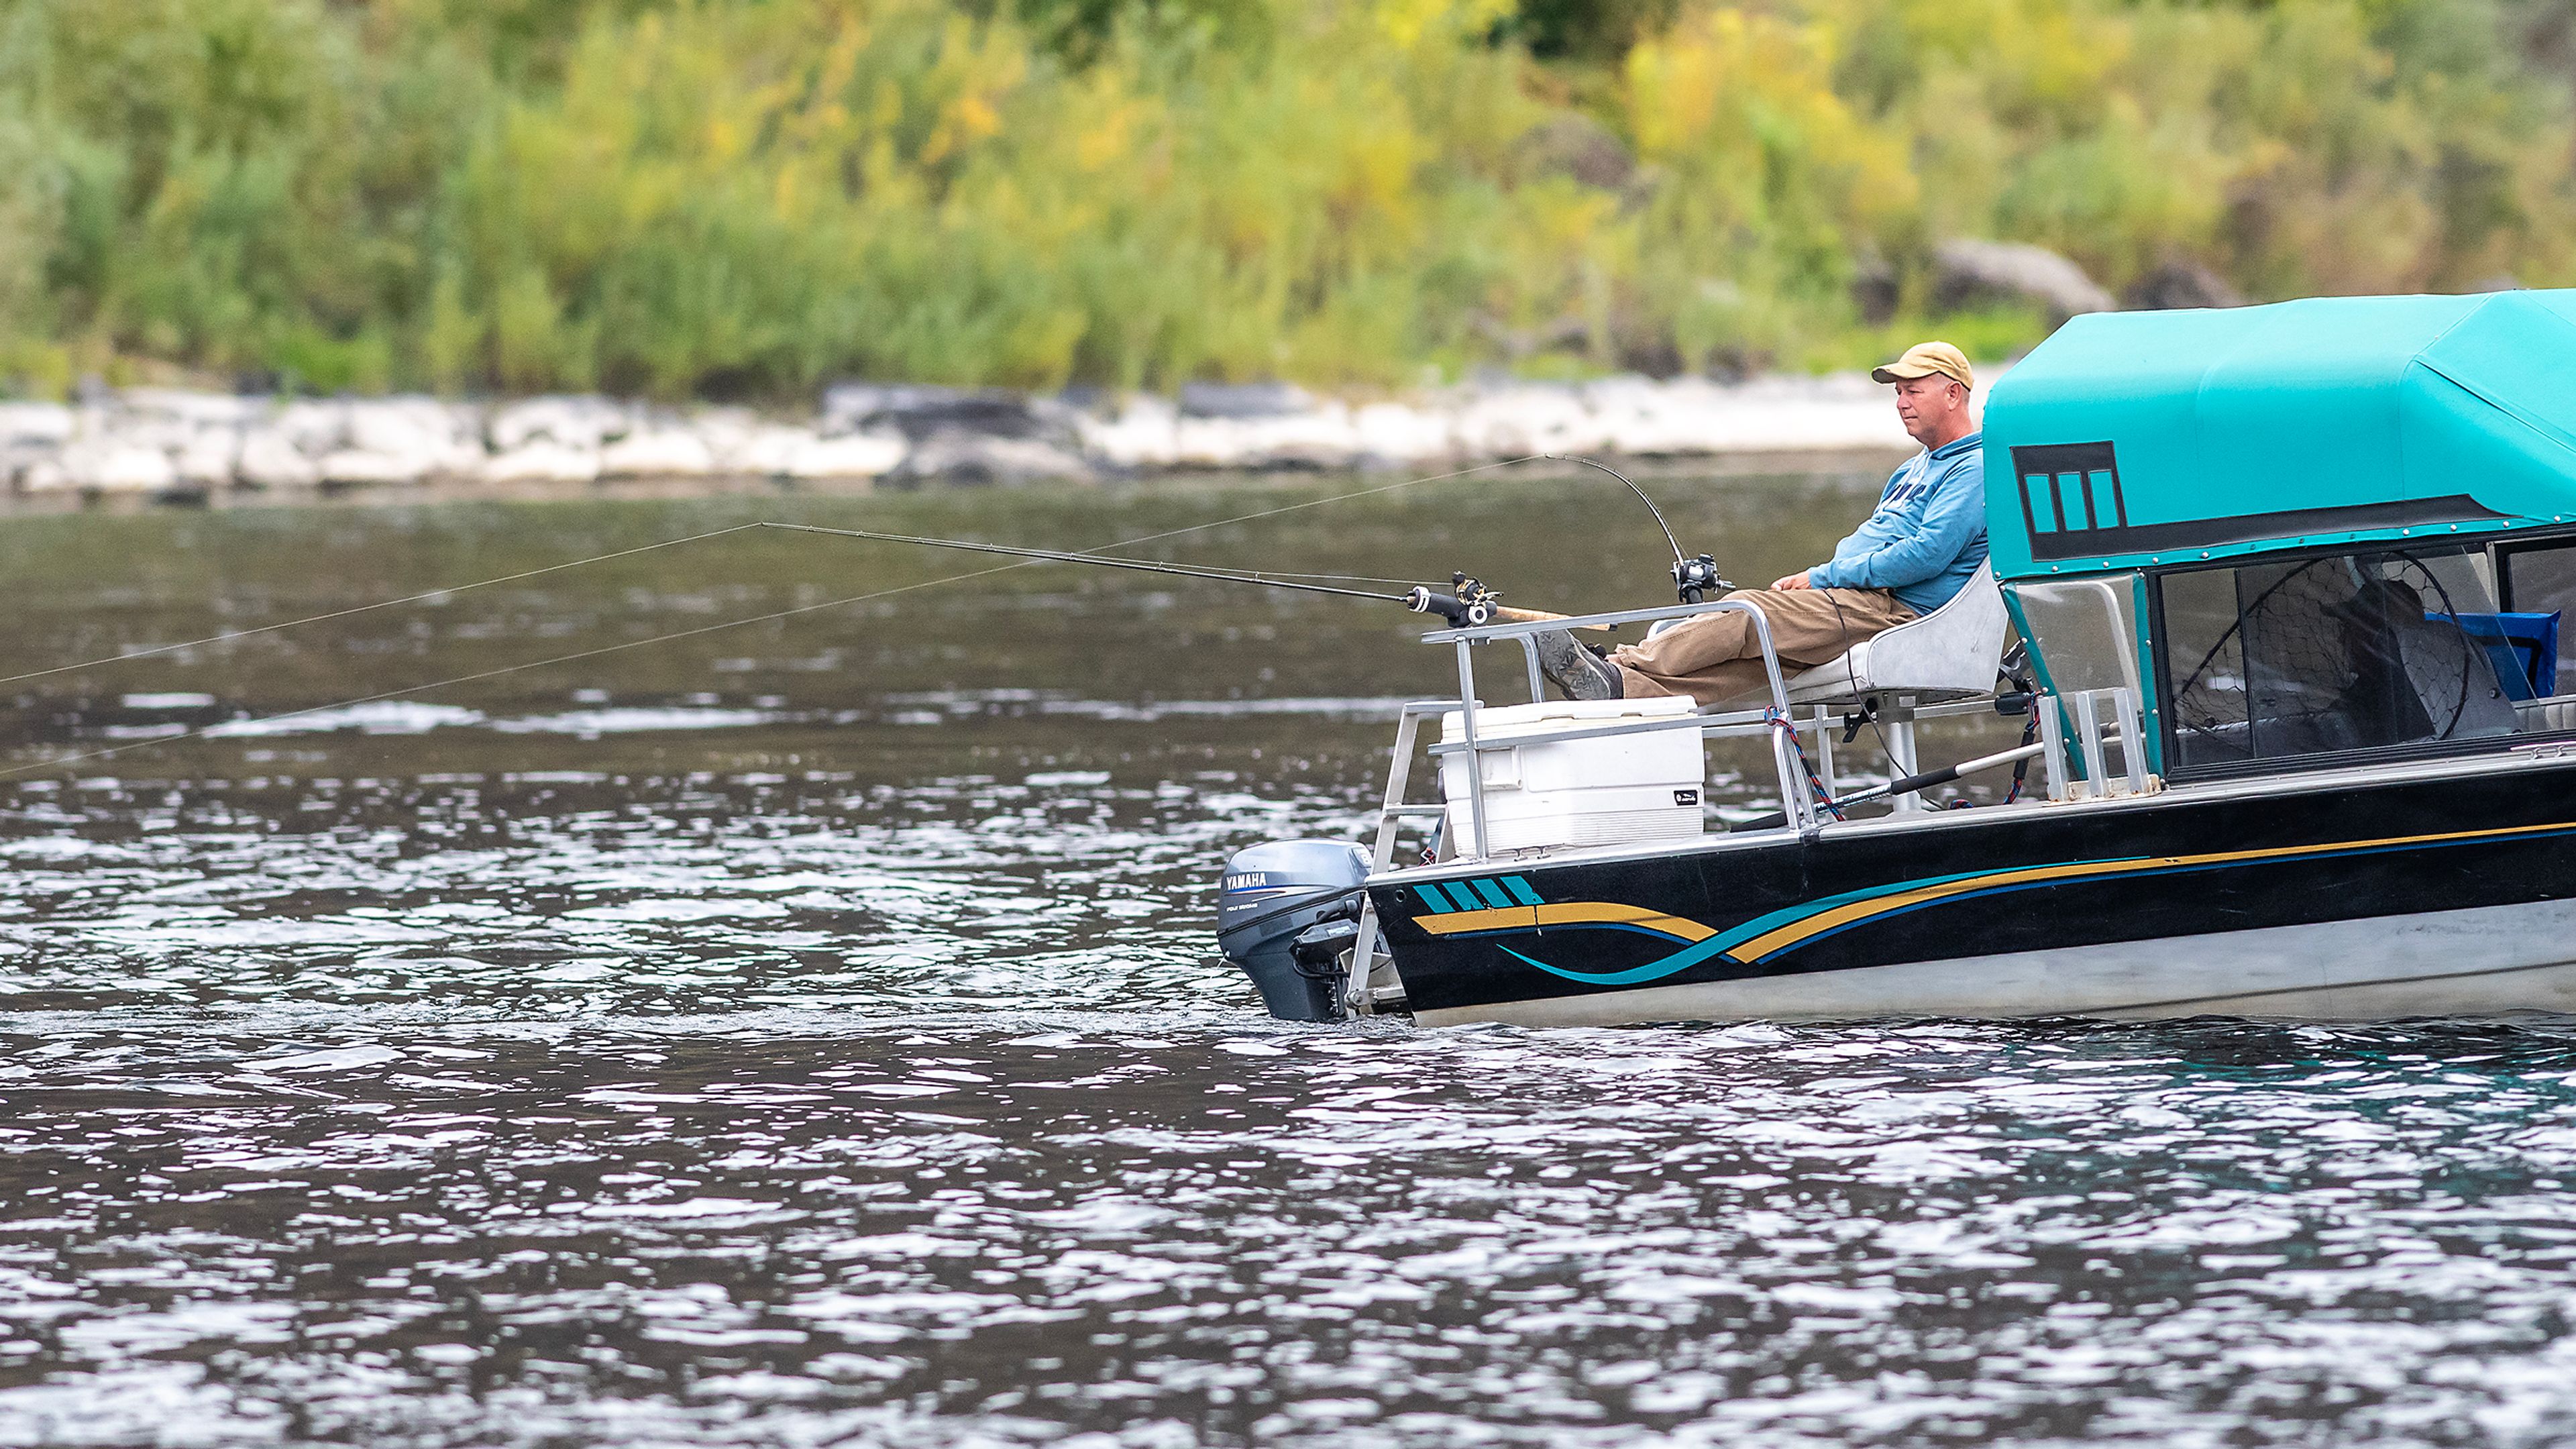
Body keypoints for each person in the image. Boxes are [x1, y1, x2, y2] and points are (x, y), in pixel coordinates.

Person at [1538, 341, 1990, 705]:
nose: (1900, 402)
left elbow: (1926, 555)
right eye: (1897, 392)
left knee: (1746, 614)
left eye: (1913, 390)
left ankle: (1623, 665)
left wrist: (1821, 576)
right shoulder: (1912, 468)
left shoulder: (1973, 468)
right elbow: (1882, 541)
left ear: (1953, 394)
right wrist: (1823, 580)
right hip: (1854, 597)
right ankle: (1620, 690)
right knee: (1749, 661)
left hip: (1894, 611)